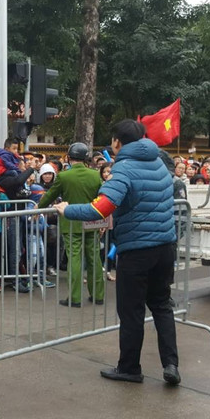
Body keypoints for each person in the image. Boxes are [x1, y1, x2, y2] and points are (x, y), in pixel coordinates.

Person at [54, 119, 180, 386]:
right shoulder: (159, 162)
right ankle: (171, 365)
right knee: (161, 306)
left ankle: (130, 368)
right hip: (165, 246)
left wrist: (67, 210)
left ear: (117, 142)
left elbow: (100, 208)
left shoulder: (123, 168)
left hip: (137, 250)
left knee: (132, 312)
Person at [38, 142, 103, 307]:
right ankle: (98, 295)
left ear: (69, 157)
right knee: (94, 257)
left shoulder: (64, 176)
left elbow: (50, 195)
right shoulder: (95, 175)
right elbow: (102, 198)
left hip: (71, 222)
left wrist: (38, 208)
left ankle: (74, 298)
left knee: (74, 258)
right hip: (92, 220)